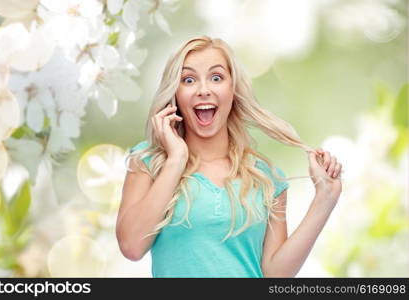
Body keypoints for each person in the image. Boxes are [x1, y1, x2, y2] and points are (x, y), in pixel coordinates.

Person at [116, 36, 343, 278]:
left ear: (232, 90)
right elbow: (131, 246)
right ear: (175, 95)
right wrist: (176, 160)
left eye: (216, 77)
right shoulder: (149, 164)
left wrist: (325, 200)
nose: (204, 90)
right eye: (189, 79)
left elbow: (275, 275)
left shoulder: (266, 178)